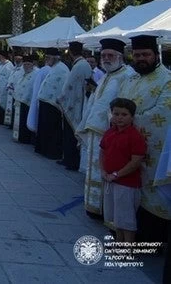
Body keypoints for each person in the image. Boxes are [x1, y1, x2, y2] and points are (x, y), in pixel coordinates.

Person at [119, 34, 171, 262]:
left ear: (156, 55)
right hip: (128, 148)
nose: (141, 59)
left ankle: (152, 243)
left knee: (153, 197)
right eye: (137, 55)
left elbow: (163, 113)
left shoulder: (167, 80)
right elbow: (118, 105)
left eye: (145, 55)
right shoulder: (131, 79)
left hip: (155, 151)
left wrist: (126, 123)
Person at [77, 38, 134, 217]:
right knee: (94, 169)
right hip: (95, 131)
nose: (106, 58)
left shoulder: (127, 75)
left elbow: (125, 106)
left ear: (120, 56)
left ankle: (104, 208)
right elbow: (95, 102)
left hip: (110, 132)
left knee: (106, 168)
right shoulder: (106, 75)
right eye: (104, 55)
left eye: (110, 55)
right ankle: (92, 205)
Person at [99, 97, 146, 243]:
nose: (119, 118)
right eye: (116, 114)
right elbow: (102, 152)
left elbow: (136, 161)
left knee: (126, 218)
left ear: (132, 117)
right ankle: (119, 244)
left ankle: (128, 248)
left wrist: (117, 174)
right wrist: (103, 172)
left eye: (124, 115)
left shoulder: (135, 136)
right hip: (110, 180)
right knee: (115, 217)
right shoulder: (109, 132)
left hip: (127, 183)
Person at [57, 41, 92, 171]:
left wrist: (60, 99)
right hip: (80, 102)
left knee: (70, 134)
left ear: (70, 52)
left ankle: (70, 160)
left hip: (73, 104)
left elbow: (68, 87)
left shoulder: (78, 66)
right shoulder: (85, 64)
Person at [34, 48, 69, 159]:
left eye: (49, 58)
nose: (47, 60)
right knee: (45, 128)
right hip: (46, 103)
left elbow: (62, 87)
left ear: (56, 58)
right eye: (46, 57)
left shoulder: (62, 69)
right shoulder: (54, 68)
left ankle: (52, 151)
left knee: (52, 129)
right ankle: (43, 149)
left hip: (53, 105)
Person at [12, 55, 37, 144]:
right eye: (25, 64)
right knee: (20, 121)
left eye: (28, 64)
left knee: (26, 120)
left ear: (32, 64)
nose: (26, 66)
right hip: (20, 100)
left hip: (28, 102)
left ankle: (26, 138)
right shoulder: (24, 73)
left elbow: (32, 88)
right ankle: (20, 136)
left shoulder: (36, 73)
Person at [3, 54, 24, 126]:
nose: (17, 60)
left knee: (15, 108)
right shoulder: (14, 68)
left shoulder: (23, 69)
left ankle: (14, 123)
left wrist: (14, 85)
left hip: (16, 91)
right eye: (16, 59)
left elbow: (21, 80)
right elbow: (10, 77)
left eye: (19, 59)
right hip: (10, 91)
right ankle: (10, 122)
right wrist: (8, 84)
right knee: (10, 107)